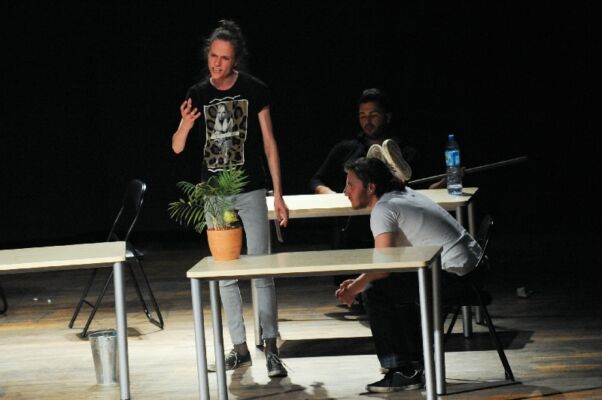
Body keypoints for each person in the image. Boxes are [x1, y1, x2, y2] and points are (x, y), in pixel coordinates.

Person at [171, 19, 289, 378]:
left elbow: (269, 143)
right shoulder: (198, 93)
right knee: (225, 273)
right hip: (215, 194)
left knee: (261, 269)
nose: (217, 64)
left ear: (235, 60)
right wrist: (185, 124)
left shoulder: (254, 89)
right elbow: (177, 147)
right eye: (213, 56)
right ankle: (239, 348)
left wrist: (278, 195)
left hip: (251, 188)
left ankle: (271, 347)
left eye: (224, 58)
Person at [336, 157, 482, 393]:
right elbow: (389, 264)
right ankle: (414, 364)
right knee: (396, 285)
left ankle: (401, 370)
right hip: (475, 272)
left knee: (376, 292)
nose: (345, 191)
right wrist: (360, 280)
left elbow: (383, 268)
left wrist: (355, 288)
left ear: (371, 187)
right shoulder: (405, 194)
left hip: (456, 279)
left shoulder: (384, 209)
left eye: (350, 185)